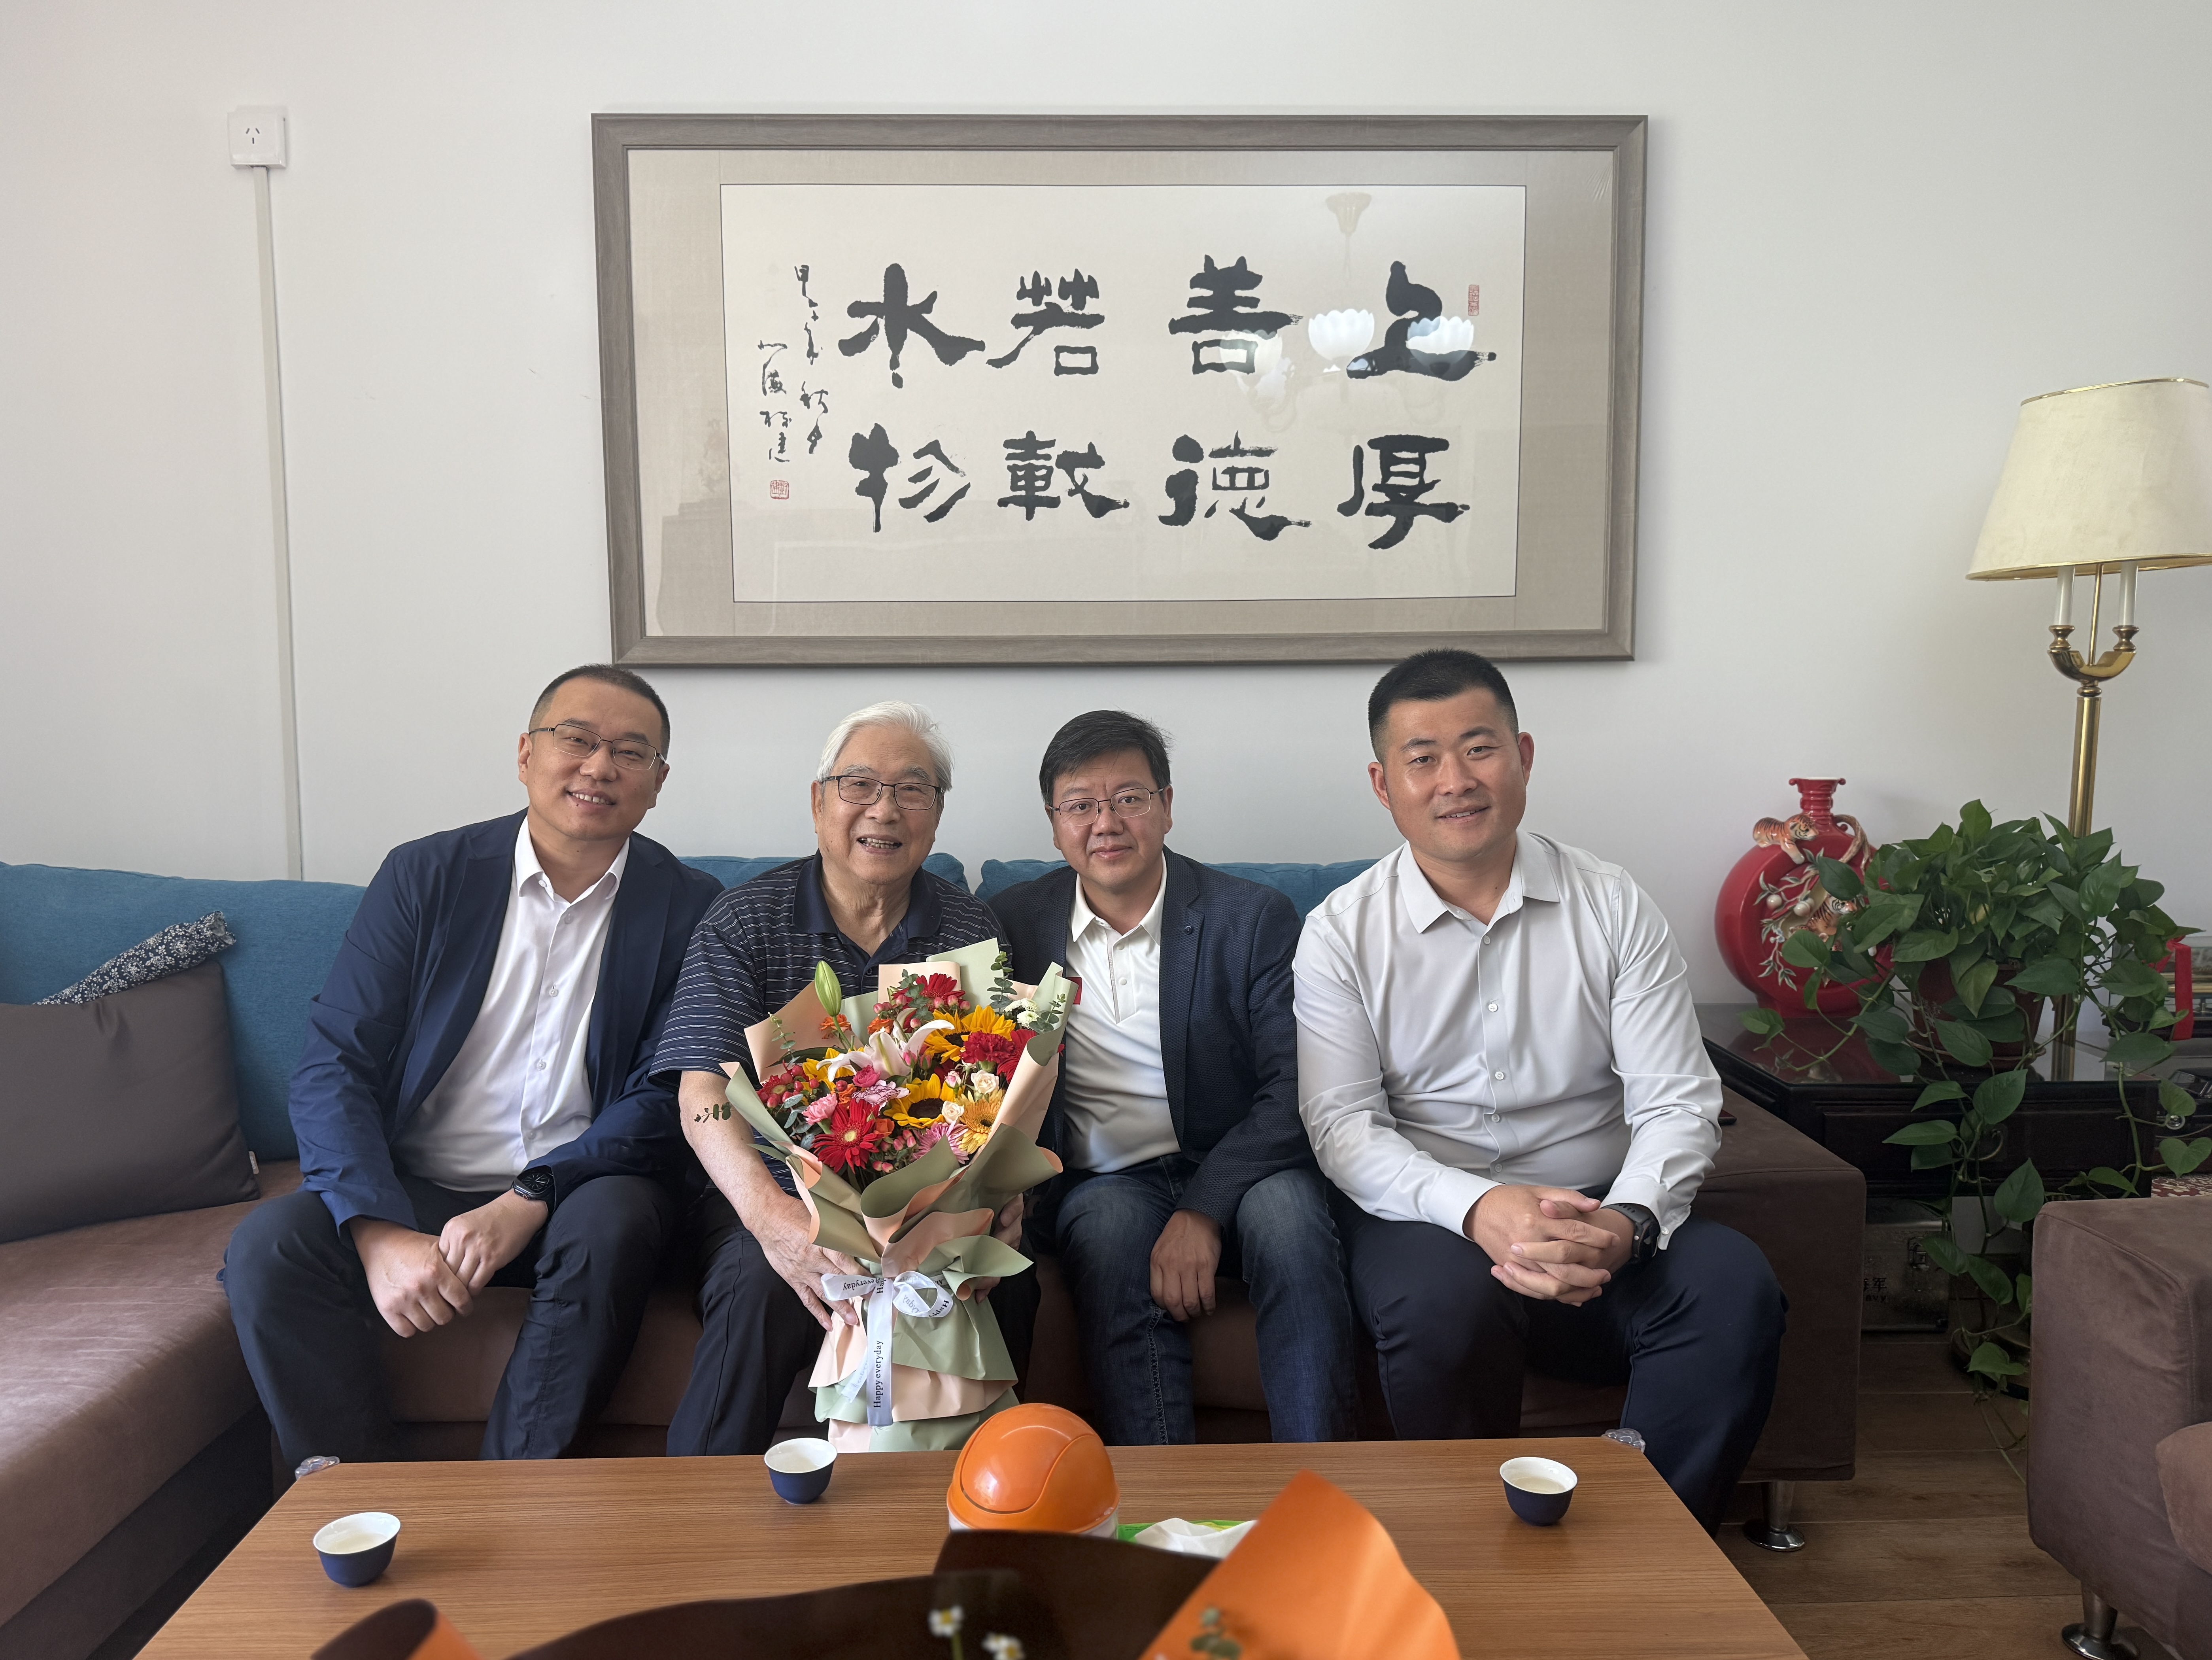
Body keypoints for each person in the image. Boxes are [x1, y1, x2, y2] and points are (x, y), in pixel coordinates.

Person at [1293, 650, 1785, 1527]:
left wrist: (1625, 1222)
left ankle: (1649, 1547)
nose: (1455, 780)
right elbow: (1344, 1128)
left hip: (1599, 1204)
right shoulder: (1340, 933)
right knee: (1438, 1303)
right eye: (1422, 758)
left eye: (1479, 748)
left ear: (1522, 755)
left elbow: (1677, 1100)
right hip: (1432, 1217)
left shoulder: (1613, 905)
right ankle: (1471, 1549)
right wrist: (1481, 1208)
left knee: (1732, 1284)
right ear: (1382, 783)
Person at [224, 665, 723, 1467]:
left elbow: (661, 1094)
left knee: (617, 1219)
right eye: (577, 739)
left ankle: (510, 1498)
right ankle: (362, 1500)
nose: (599, 766)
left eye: (631, 752)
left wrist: (532, 1194)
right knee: (268, 1247)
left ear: (658, 783)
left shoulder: (693, 907)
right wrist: (380, 1232)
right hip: (419, 1187)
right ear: (526, 754)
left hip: (581, 1191)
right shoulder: (426, 876)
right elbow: (336, 1061)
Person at [654, 700, 1011, 1456]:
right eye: (860, 785)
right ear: (819, 803)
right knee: (757, 1283)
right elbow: (703, 1096)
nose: (885, 809)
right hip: (773, 1192)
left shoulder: (969, 929)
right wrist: (773, 1221)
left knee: (1006, 1280)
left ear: (937, 816)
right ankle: (698, 1505)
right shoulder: (743, 920)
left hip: (930, 1209)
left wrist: (1007, 1206)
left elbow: (999, 1097)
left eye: (912, 789)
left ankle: (986, 1498)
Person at [990, 711, 1356, 1445]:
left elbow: (1293, 1088)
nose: (1106, 823)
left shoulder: (1250, 917)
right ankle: (1156, 1490)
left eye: (1129, 798)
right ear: (1055, 824)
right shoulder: (1014, 924)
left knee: (1291, 1225)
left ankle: (1324, 1479)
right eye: (1080, 805)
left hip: (1244, 1165)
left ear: (1165, 805)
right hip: (1104, 1179)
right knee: (1107, 1232)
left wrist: (1202, 1209)